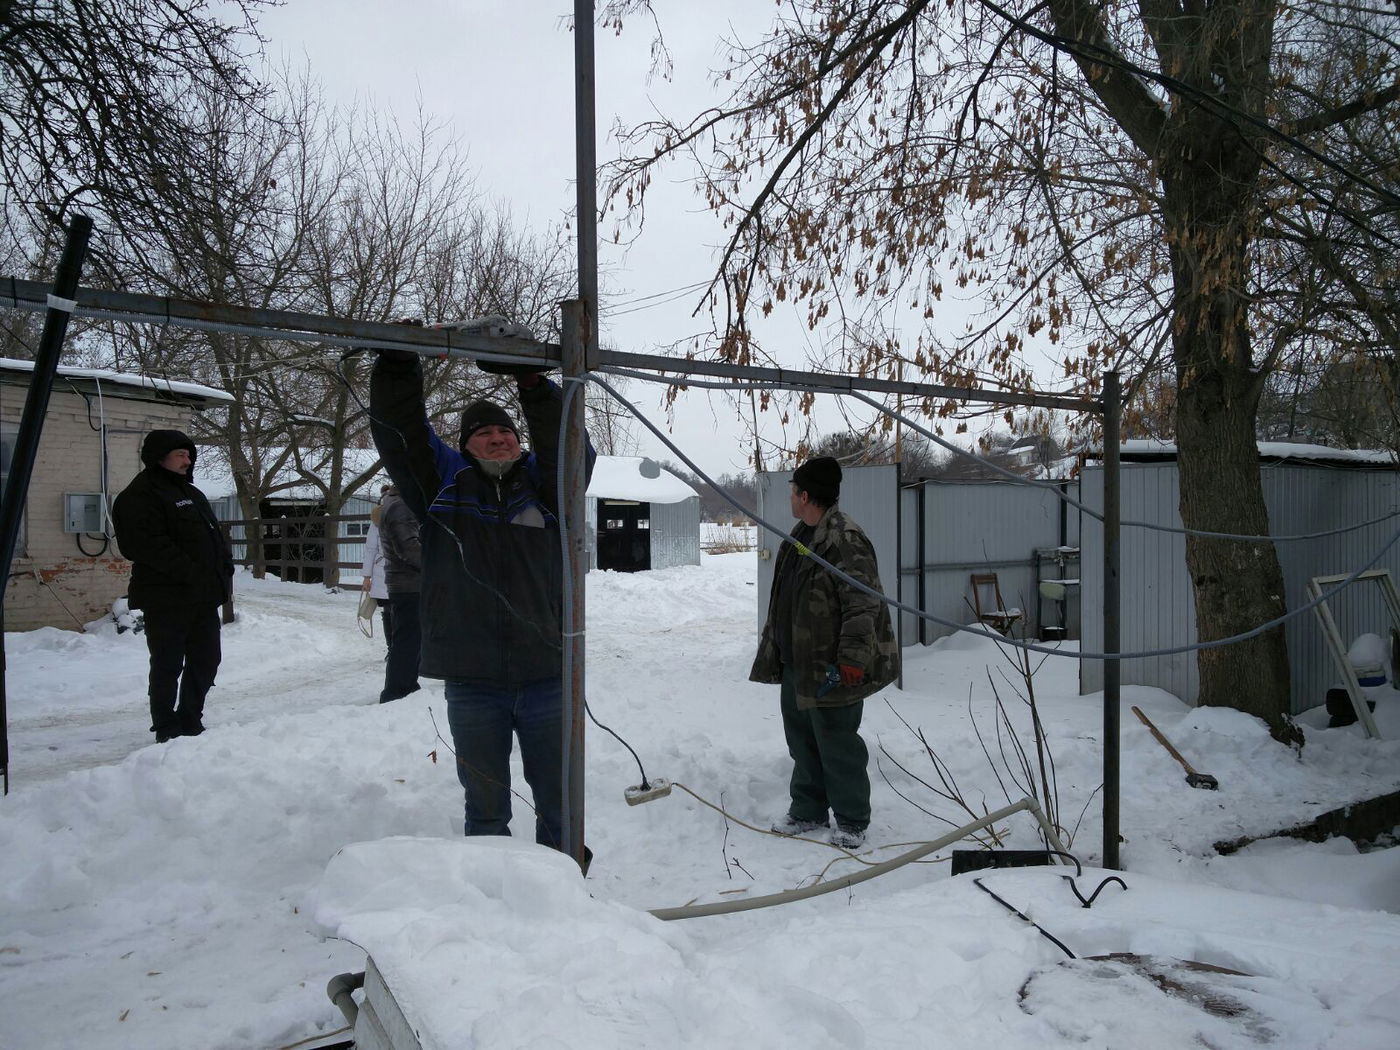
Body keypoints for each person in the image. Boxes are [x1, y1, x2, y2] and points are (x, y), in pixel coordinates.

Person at [370, 347, 594, 855]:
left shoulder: (548, 487)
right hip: (472, 681)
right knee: (486, 802)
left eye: (505, 432)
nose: (497, 438)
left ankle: (565, 882)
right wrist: (399, 368)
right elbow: (402, 436)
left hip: (547, 674)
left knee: (560, 798)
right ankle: (493, 884)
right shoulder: (441, 488)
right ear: (465, 446)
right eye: (483, 433)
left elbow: (568, 447)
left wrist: (534, 387)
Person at [750, 455, 899, 849]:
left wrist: (851, 659)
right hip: (798, 662)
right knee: (802, 742)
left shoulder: (845, 539)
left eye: (793, 491)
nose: (790, 497)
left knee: (837, 744)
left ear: (805, 495)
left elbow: (862, 604)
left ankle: (851, 820)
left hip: (832, 667)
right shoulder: (802, 535)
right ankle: (808, 810)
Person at [112, 430, 234, 743]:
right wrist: (191, 572)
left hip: (202, 597)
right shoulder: (140, 496)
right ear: (159, 456)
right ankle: (166, 727)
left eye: (189, 454)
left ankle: (191, 719)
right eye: (180, 454)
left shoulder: (192, 493)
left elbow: (213, 535)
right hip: (166, 597)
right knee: (167, 664)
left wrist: (225, 566)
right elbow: (145, 545)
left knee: (207, 660)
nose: (187, 460)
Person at [376, 483, 422, 703]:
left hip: (409, 583)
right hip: (409, 584)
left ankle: (406, 686)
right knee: (408, 640)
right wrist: (439, 563)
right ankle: (397, 691)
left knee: (412, 638)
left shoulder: (398, 503)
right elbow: (409, 549)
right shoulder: (400, 507)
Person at [360, 498, 391, 643]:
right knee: (389, 610)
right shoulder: (377, 519)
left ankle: (398, 648)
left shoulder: (408, 513)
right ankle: (391, 647)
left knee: (400, 611)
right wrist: (367, 576)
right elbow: (370, 549)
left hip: (405, 572)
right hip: (383, 572)